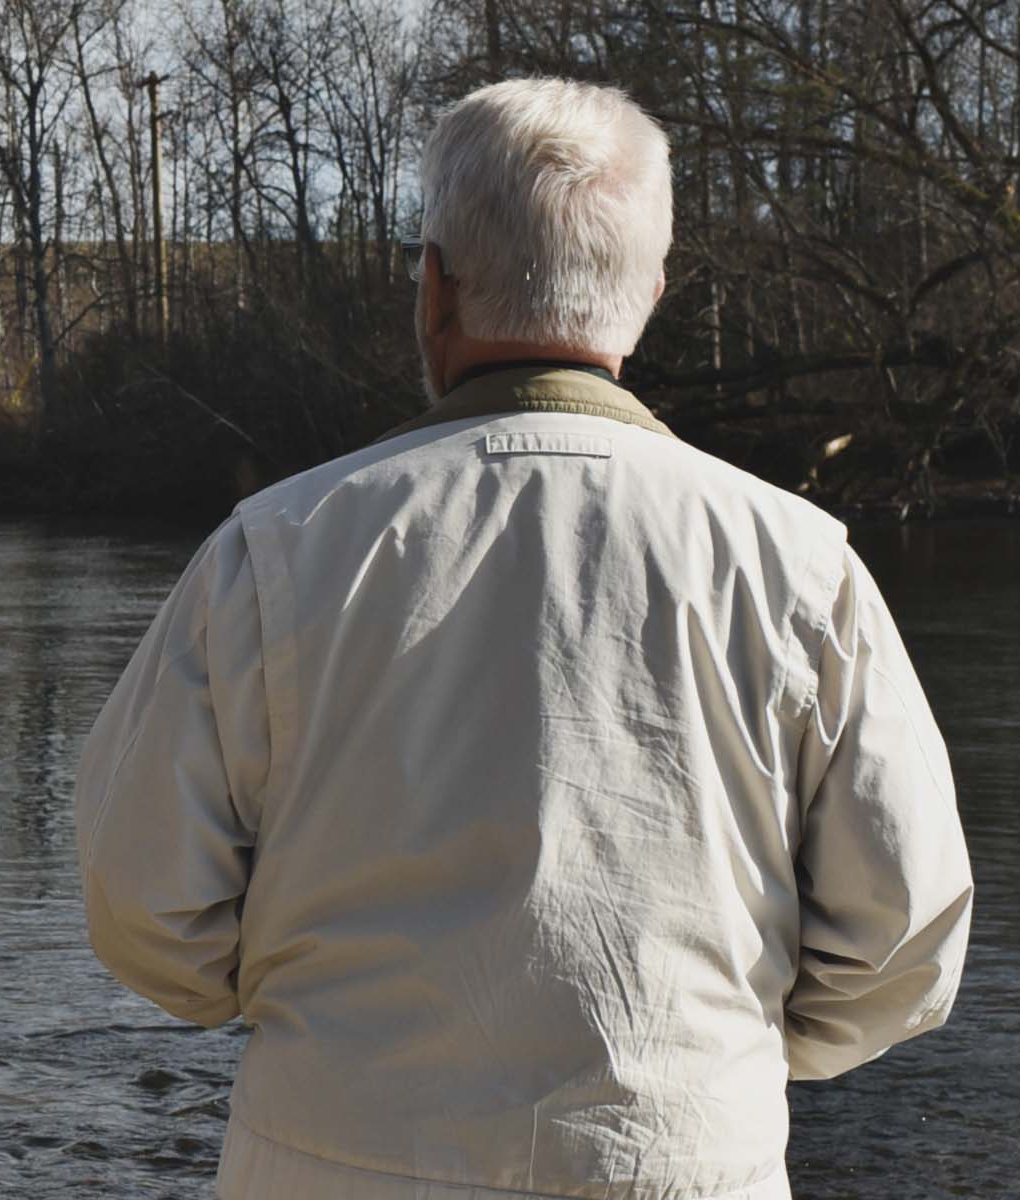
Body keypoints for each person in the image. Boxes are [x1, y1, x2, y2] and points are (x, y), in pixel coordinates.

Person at [73, 78, 973, 1200]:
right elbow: (900, 934)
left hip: (332, 1161)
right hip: (681, 1166)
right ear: (646, 292)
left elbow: (140, 902)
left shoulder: (275, 549)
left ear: (433, 291)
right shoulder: (798, 562)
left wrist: (298, 1010)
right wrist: (715, 1058)